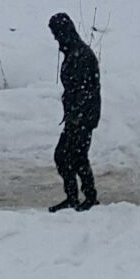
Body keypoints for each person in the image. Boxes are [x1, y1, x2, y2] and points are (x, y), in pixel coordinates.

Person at [50, 13, 102, 211]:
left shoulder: (80, 55)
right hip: (77, 116)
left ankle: (86, 196)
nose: (55, 38)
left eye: (56, 33)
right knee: (69, 156)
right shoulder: (74, 52)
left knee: (72, 156)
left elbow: (86, 90)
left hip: (82, 117)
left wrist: (78, 115)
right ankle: (77, 196)